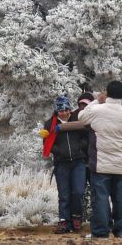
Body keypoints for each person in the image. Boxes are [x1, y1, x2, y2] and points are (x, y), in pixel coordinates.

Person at [61, 81, 122, 239]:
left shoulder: (97, 110)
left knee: (100, 199)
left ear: (107, 94)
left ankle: (100, 231)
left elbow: (82, 117)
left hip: (100, 163)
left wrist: (97, 100)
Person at [40, 95, 88, 234]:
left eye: (67, 109)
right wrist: (59, 151)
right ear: (57, 111)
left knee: (78, 191)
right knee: (64, 194)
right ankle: (63, 221)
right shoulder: (50, 124)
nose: (65, 113)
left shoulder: (77, 119)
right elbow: (47, 143)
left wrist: (80, 147)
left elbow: (86, 136)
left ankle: (76, 217)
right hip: (62, 163)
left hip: (78, 160)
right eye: (61, 111)